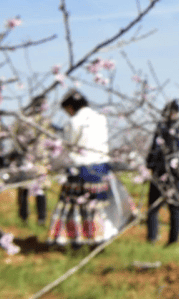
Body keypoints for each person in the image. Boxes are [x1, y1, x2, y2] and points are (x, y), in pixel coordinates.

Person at [47, 89, 130, 246]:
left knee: (75, 207)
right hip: (101, 170)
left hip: (80, 169)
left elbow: (68, 145)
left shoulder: (73, 122)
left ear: (70, 108)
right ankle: (99, 238)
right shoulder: (101, 118)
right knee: (98, 208)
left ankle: (76, 240)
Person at [146, 99, 179, 245]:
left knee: (173, 207)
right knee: (154, 206)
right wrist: (150, 164)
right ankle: (153, 237)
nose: (171, 115)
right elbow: (154, 147)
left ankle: (172, 240)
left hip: (172, 172)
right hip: (161, 170)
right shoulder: (165, 127)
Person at [13, 95, 48, 225]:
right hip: (34, 158)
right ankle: (39, 217)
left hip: (31, 159)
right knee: (37, 188)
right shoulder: (33, 121)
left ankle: (27, 217)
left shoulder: (26, 120)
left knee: (28, 188)